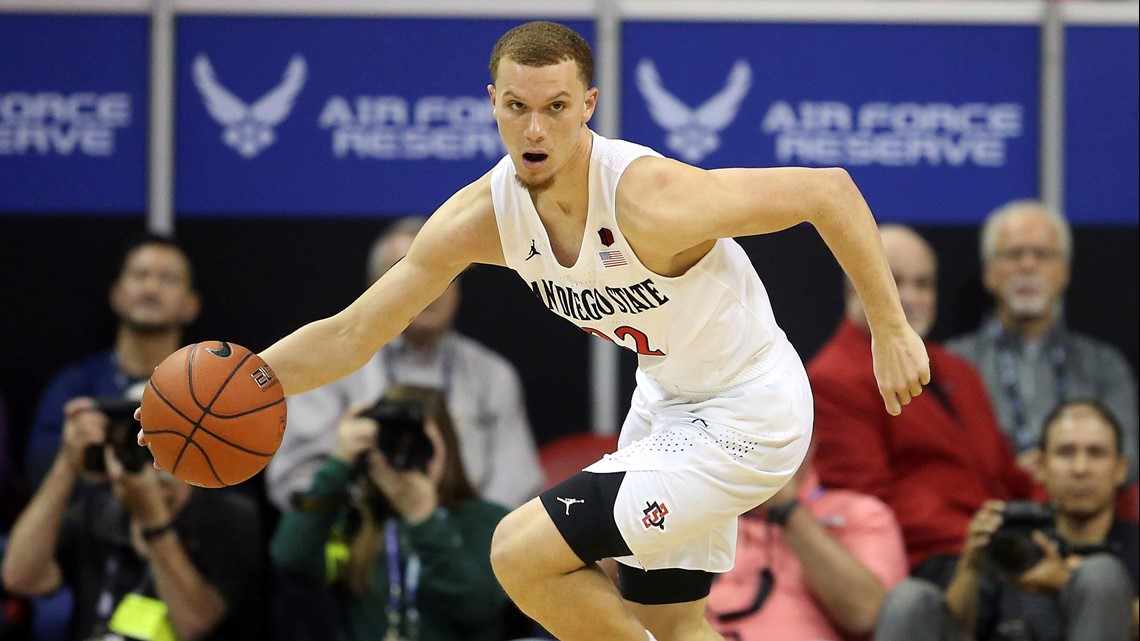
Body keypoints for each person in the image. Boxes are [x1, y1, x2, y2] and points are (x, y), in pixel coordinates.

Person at [142, 21, 930, 641]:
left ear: (588, 105)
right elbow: (355, 332)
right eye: (517, 107)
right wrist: (247, 388)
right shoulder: (481, 217)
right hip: (666, 401)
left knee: (519, 553)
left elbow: (828, 190)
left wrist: (889, 328)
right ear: (492, 102)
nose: (536, 129)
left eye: (556, 107)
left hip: (749, 414)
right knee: (670, 621)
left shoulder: (651, 200)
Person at [266, 215, 543, 513]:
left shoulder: (492, 375)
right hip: (358, 540)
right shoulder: (327, 367)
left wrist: (464, 537)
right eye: (406, 274)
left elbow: (517, 482)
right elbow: (293, 478)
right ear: (374, 287)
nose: (430, 289)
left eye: (445, 274)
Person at [809, 225, 1034, 587]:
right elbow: (871, 508)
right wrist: (983, 536)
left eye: (923, 284)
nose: (910, 297)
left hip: (994, 546)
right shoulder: (833, 379)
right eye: (894, 282)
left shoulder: (960, 371)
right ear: (854, 286)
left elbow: (1005, 473)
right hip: (922, 564)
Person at [1, 396, 266, 641]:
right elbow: (20, 578)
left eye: (162, 443)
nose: (149, 459)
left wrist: (153, 522)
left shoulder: (226, 515)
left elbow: (195, 624)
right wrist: (67, 464)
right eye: (135, 442)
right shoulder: (100, 508)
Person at [875, 399, 1138, 641]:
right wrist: (971, 565)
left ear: (1121, 469)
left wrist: (1065, 583)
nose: (1081, 469)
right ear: (1041, 466)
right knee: (909, 598)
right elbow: (954, 629)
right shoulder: (1013, 541)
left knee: (1100, 574)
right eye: (1066, 453)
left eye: (1096, 453)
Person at [270, 385, 510, 641]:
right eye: (393, 443)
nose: (406, 453)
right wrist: (338, 464)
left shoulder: (489, 521)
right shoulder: (361, 522)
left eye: (420, 442)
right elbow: (292, 558)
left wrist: (423, 519)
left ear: (447, 447)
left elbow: (479, 606)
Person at [946, 200, 1138, 484]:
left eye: (1043, 255)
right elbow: (942, 459)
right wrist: (1014, 474)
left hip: (1082, 515)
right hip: (984, 510)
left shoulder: (1104, 365)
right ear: (989, 272)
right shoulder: (953, 362)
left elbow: (1127, 458)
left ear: (1064, 272)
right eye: (1014, 254)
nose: (1028, 265)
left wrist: (1059, 472)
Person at [25, 234, 200, 489]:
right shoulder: (74, 387)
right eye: (139, 275)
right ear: (116, 294)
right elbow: (39, 475)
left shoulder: (211, 387)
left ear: (191, 304)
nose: (151, 289)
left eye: (168, 279)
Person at [705, 439, 908, 641]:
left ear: (809, 444)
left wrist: (787, 510)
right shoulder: (700, 517)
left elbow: (868, 616)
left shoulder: (859, 513)